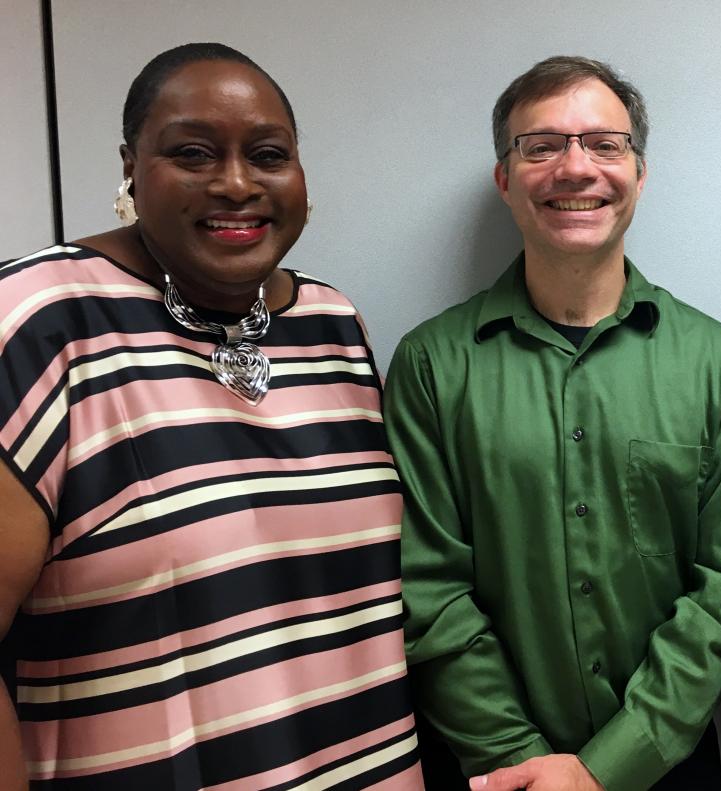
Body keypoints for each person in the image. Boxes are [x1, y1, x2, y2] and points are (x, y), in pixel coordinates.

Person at [0, 43, 422, 789]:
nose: (235, 183)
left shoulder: (332, 323)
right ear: (130, 166)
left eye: (267, 154)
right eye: (193, 153)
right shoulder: (40, 321)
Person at [384, 56, 721, 791]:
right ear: (505, 178)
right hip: (491, 776)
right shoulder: (432, 365)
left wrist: (608, 769)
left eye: (604, 143)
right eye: (542, 145)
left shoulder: (717, 362)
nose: (575, 167)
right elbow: (424, 592)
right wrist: (521, 760)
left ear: (639, 170)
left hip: (667, 768)